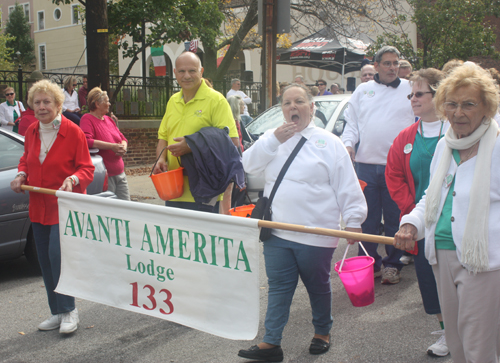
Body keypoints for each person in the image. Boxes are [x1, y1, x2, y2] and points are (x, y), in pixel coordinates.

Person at [238, 84, 367, 362]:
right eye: (286, 103)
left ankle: (322, 331)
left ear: (312, 107)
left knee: (317, 284)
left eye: (299, 101)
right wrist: (273, 140)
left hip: (316, 232)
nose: (292, 107)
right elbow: (247, 165)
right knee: (279, 286)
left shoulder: (329, 143)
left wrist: (354, 221)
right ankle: (271, 342)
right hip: (277, 232)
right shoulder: (271, 140)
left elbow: (347, 184)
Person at [394, 63, 500, 363]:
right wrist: (412, 224)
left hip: (483, 260)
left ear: (487, 108)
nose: (458, 112)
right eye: (451, 104)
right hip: (440, 253)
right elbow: (432, 195)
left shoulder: (497, 146)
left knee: (478, 343)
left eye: (469, 104)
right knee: (455, 339)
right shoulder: (445, 144)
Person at [10, 79, 94, 335]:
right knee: (44, 261)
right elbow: (26, 160)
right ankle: (56, 312)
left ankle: (69, 310)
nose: (42, 106)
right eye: (37, 102)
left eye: (47, 102)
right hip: (39, 207)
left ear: (58, 105)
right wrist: (21, 175)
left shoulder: (73, 131)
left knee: (59, 257)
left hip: (64, 207)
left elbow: (86, 168)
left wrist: (73, 179)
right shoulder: (32, 131)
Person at [385, 68, 450, 357]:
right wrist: (412, 214)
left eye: (419, 93)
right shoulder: (406, 136)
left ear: (439, 95)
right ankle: (448, 331)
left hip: (454, 221)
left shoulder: (458, 130)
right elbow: (394, 176)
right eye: (411, 94)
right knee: (430, 280)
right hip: (423, 221)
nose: (412, 98)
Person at [342, 45, 414, 284]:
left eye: (396, 63)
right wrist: (348, 145)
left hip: (398, 167)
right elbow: (351, 122)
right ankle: (370, 262)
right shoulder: (363, 91)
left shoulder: (410, 89)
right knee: (367, 219)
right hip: (365, 166)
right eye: (387, 63)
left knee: (395, 218)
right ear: (376, 66)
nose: (393, 67)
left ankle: (393, 264)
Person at [153, 51, 240, 213]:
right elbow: (163, 137)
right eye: (181, 71)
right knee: (176, 238)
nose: (187, 76)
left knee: (203, 238)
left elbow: (231, 143)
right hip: (173, 189)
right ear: (175, 73)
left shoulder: (217, 100)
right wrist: (161, 158)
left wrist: (192, 145)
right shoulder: (173, 101)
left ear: (201, 71)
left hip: (205, 190)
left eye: (192, 71)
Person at [80, 87, 130, 200]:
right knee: (110, 211)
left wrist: (123, 147)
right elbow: (86, 141)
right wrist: (111, 146)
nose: (109, 103)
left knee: (127, 209)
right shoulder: (87, 119)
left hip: (120, 173)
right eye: (106, 101)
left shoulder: (108, 119)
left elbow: (123, 138)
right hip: (106, 176)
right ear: (97, 104)